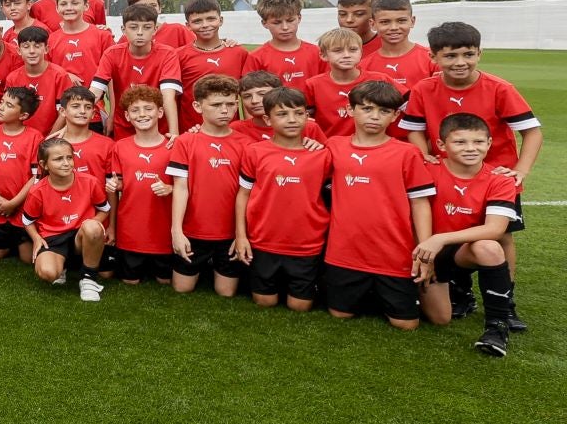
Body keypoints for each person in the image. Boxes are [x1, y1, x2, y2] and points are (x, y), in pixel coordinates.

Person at [400, 22, 541, 330]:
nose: (460, 62)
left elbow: (531, 131)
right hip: (449, 172)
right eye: (450, 55)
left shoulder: (499, 88)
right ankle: (459, 291)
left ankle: (507, 301)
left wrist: (520, 171)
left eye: (468, 54)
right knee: (449, 225)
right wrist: (423, 153)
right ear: (434, 57)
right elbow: (413, 130)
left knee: (500, 235)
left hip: (496, 175)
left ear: (480, 53)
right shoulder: (425, 89)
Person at [321, 81, 436, 331]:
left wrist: (424, 251)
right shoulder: (334, 146)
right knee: (340, 314)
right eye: (367, 109)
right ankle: (367, 291)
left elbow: (420, 202)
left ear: (395, 115)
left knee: (406, 324)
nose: (375, 117)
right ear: (350, 110)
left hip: (393, 252)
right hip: (344, 252)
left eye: (384, 111)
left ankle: (381, 291)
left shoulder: (407, 153)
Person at [414, 113, 521, 356]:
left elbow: (495, 229)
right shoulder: (426, 169)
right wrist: (426, 248)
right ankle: (456, 289)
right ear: (442, 145)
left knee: (489, 247)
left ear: (489, 143)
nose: (471, 148)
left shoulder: (500, 179)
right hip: (423, 250)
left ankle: (497, 328)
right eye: (460, 142)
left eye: (478, 142)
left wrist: (440, 238)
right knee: (440, 318)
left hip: (457, 250)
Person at [234, 87, 330, 312]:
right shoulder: (254, 151)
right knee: (264, 301)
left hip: (307, 243)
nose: (292, 120)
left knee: (300, 306)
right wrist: (241, 235)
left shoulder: (323, 155)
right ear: (267, 118)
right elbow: (243, 194)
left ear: (307, 116)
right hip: (263, 240)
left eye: (298, 113)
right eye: (282, 114)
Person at [167, 75, 248, 297]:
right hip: (194, 230)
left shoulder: (246, 144)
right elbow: (180, 188)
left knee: (226, 292)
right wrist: (177, 231)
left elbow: (247, 192)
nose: (225, 110)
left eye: (231, 104)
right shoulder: (186, 141)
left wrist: (241, 234)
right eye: (216, 105)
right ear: (197, 106)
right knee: (182, 288)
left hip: (230, 233)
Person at [21, 138, 109, 298]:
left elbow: (104, 210)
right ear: (44, 164)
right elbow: (27, 221)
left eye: (69, 157)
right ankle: (62, 266)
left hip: (79, 236)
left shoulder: (90, 182)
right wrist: (35, 238)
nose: (66, 163)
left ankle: (88, 279)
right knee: (47, 273)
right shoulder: (37, 191)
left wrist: (92, 229)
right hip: (53, 238)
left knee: (93, 227)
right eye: (58, 159)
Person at [107, 86, 175, 285]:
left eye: (148, 108)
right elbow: (118, 182)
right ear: (127, 116)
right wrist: (114, 185)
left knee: (165, 281)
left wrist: (169, 188)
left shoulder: (174, 146)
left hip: (164, 232)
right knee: (130, 281)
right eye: (135, 110)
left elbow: (187, 187)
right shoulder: (120, 146)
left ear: (160, 112)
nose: (142, 114)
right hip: (131, 232)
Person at [93, 4, 183, 138]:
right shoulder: (111, 54)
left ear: (155, 29)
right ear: (123, 29)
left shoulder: (167, 54)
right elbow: (95, 92)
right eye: (133, 27)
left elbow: (168, 97)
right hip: (124, 126)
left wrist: (174, 133)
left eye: (147, 27)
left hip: (158, 128)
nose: (140, 32)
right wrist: (69, 125)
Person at [0, 87, 40, 263]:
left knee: (28, 259)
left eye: (9, 105)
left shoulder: (35, 137)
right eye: (2, 102)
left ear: (23, 116)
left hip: (23, 206)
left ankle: (23, 238)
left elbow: (36, 177)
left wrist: (13, 203)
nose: (1, 107)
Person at [175, 0, 249, 130]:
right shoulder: (178, 55)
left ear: (220, 20)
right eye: (197, 21)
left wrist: (249, 127)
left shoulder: (239, 53)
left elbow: (247, 95)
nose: (205, 25)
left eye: (211, 19)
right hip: (192, 131)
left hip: (230, 131)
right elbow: (174, 97)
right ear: (188, 25)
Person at [243, 0, 324, 86]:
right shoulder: (256, 58)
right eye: (277, 23)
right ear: (264, 23)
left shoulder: (317, 53)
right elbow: (249, 91)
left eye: (290, 20)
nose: (285, 27)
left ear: (299, 18)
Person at [303, 28, 367, 138]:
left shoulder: (379, 80)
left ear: (361, 52)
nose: (346, 55)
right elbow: (305, 119)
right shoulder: (313, 85)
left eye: (353, 49)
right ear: (323, 55)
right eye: (338, 51)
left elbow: (405, 106)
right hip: (328, 146)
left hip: (369, 146)